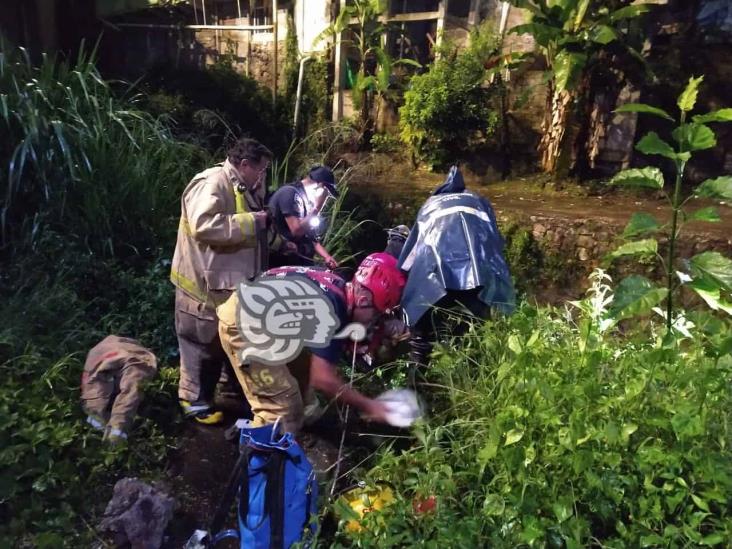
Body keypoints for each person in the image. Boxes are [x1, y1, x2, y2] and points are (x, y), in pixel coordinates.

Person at [216, 253, 407, 434]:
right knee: (282, 410)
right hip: (243, 325)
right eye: (376, 314)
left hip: (263, 319)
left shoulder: (338, 286)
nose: (373, 321)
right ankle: (258, 454)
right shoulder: (332, 309)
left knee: (304, 374)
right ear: (364, 300)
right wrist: (370, 406)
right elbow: (323, 379)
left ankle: (305, 426)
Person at [170, 137, 273, 424]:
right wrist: (254, 222)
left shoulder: (244, 186)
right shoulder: (212, 183)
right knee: (200, 347)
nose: (263, 176)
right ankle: (193, 401)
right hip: (200, 290)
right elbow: (205, 226)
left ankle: (226, 392)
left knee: (223, 342)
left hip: (226, 287)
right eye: (260, 170)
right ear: (244, 165)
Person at [398, 166, 516, 367]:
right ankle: (474, 378)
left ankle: (416, 384)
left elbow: (408, 259)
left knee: (421, 342)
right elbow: (496, 244)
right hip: (477, 277)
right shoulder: (480, 203)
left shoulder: (430, 205)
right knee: (477, 333)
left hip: (434, 277)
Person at [81, 335, 158, 442]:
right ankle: (111, 433)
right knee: (132, 388)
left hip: (102, 359)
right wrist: (119, 428)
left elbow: (91, 388)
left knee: (95, 402)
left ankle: (99, 428)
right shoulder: (140, 361)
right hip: (120, 360)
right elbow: (131, 391)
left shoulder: (101, 350)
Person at [267, 165, 339, 269]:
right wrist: (317, 207)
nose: (326, 199)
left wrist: (326, 257)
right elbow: (297, 230)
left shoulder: (304, 199)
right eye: (326, 195)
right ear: (321, 187)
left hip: (298, 263)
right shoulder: (289, 193)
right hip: (281, 263)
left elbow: (310, 235)